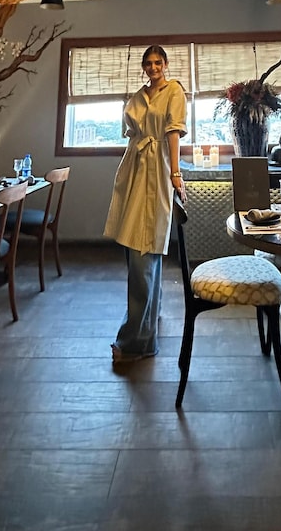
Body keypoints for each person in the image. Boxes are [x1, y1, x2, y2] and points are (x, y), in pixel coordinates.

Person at [104, 44, 187, 364]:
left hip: (158, 169)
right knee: (137, 248)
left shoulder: (174, 91)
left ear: (165, 64)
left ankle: (137, 341)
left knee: (145, 248)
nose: (153, 67)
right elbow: (131, 132)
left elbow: (173, 133)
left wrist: (176, 173)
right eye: (148, 63)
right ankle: (150, 316)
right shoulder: (139, 96)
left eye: (158, 62)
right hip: (134, 168)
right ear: (144, 67)